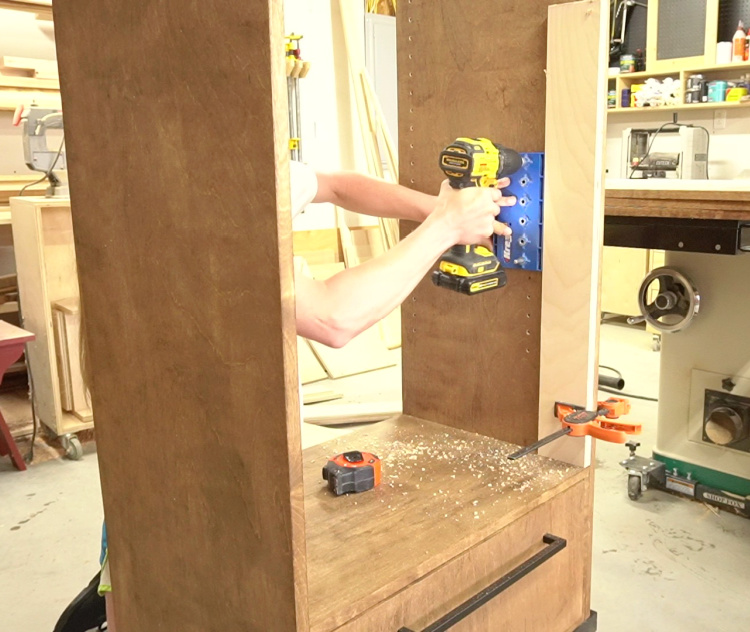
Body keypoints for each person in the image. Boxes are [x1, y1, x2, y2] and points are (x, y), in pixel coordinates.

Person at [54, 160, 516, 632]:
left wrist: (438, 207)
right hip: (191, 466)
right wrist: (447, 225)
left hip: (220, 451)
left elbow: (335, 186)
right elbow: (334, 318)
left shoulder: (244, 149)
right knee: (172, 587)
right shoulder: (214, 188)